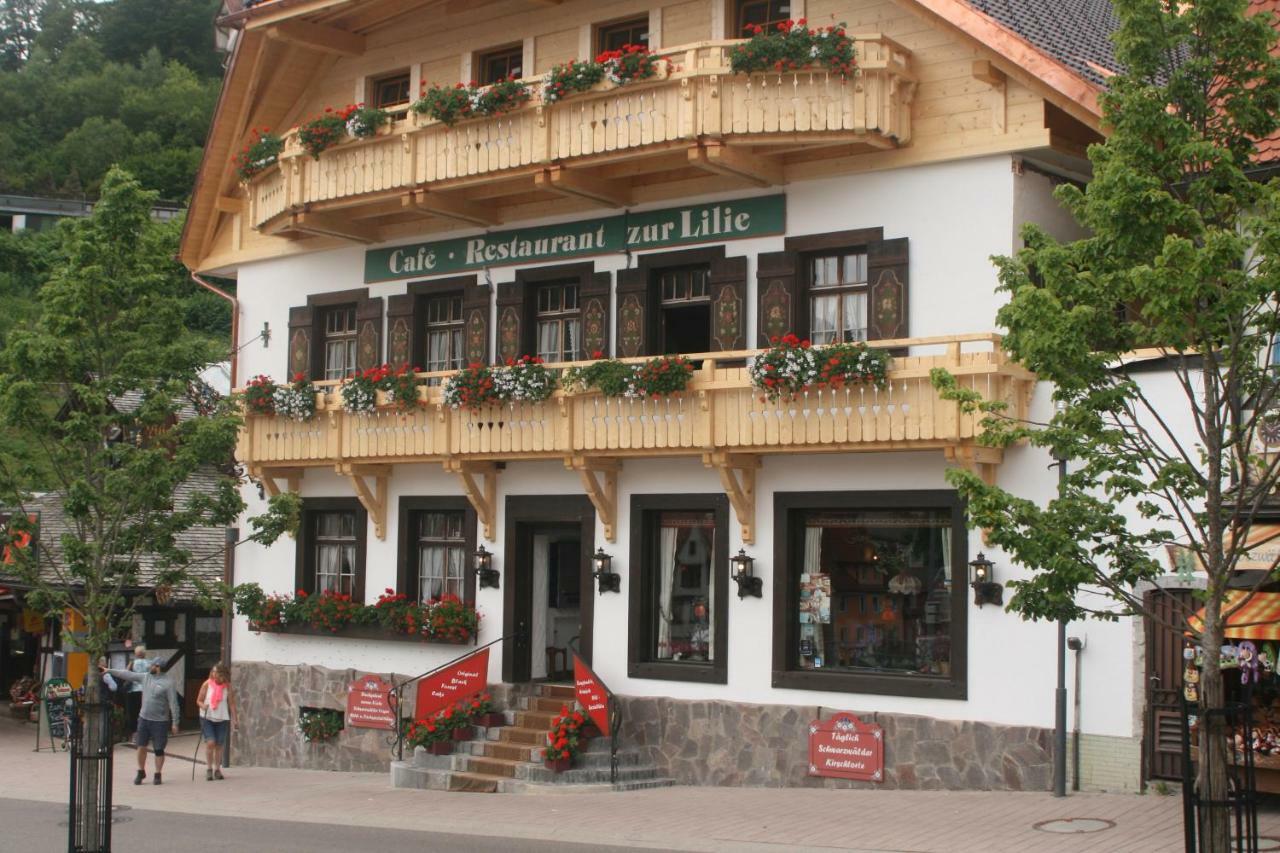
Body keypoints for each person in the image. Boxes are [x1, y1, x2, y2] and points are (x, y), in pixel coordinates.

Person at [104, 657, 180, 785]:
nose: (150, 667)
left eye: (152, 665)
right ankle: (141, 771)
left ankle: (157, 773)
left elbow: (174, 703)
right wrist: (109, 670)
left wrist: (175, 722)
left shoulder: (168, 683)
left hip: (160, 721)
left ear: (158, 667)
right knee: (141, 745)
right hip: (144, 718)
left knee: (159, 749)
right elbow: (129, 675)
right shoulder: (146, 677)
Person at [196, 664, 238, 781]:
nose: (214, 674)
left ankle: (217, 769)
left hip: (222, 718)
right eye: (213, 672)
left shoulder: (227, 687)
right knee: (211, 742)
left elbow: (232, 704)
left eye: (217, 673)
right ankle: (209, 769)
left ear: (223, 675)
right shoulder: (207, 684)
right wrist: (203, 705)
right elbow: (198, 700)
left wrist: (235, 719)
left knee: (219, 745)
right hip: (207, 717)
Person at [125, 646, 149, 735]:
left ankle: (135, 732)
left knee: (134, 713)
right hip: (146, 691)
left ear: (135, 654)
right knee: (144, 712)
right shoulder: (149, 663)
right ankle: (145, 732)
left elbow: (126, 673)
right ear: (144, 653)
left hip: (133, 690)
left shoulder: (132, 663)